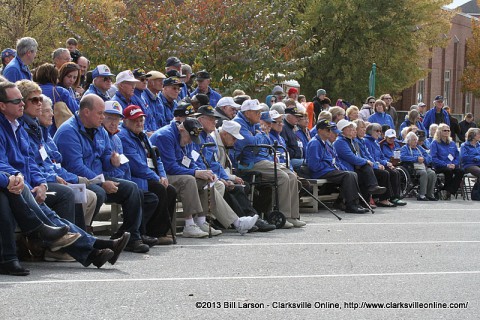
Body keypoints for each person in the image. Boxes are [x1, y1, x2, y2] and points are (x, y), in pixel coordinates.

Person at [0, 81, 130, 267]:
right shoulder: (16, 127)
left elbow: (32, 161)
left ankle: (93, 251)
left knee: (56, 206)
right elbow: (9, 163)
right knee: (64, 197)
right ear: (2, 105)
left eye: (25, 100)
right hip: (19, 185)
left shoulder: (23, 127)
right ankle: (81, 246)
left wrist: (41, 183)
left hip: (29, 182)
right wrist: (24, 181)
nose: (37, 104)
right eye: (32, 100)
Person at [54, 94, 148, 253]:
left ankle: (132, 236)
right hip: (76, 179)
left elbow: (104, 155)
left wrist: (111, 162)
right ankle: (85, 235)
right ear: (86, 112)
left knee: (132, 189)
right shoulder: (68, 132)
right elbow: (75, 167)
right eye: (100, 113)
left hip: (99, 176)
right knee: (98, 192)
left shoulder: (99, 130)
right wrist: (101, 182)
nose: (103, 117)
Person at [151, 117, 258, 237]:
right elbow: (170, 167)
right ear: (181, 130)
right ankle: (189, 224)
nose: (190, 142)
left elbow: (190, 160)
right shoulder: (165, 136)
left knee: (206, 179)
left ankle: (202, 221)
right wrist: (195, 172)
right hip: (161, 176)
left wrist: (202, 171)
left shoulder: (186, 137)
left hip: (176, 173)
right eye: (190, 138)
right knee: (189, 180)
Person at [233, 99, 306, 228]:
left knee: (292, 176)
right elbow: (249, 142)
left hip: (260, 158)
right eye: (256, 112)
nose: (259, 115)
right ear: (248, 112)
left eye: (260, 112)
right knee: (282, 177)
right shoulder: (239, 123)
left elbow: (266, 140)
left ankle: (293, 216)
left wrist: (259, 135)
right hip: (247, 163)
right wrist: (259, 135)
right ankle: (284, 215)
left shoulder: (252, 123)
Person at [118, 105, 177, 245]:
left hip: (148, 174)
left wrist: (163, 175)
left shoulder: (143, 135)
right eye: (134, 120)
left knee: (171, 190)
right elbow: (137, 166)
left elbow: (156, 158)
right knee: (159, 189)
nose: (139, 123)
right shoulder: (124, 136)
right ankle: (150, 231)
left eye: (141, 120)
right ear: (125, 121)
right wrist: (157, 178)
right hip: (134, 176)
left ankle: (160, 231)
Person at [36, 94, 97, 228]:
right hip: (41, 181)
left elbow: (53, 164)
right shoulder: (64, 131)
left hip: (55, 177)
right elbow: (34, 166)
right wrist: (75, 179)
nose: (52, 114)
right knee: (75, 193)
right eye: (47, 111)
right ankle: (76, 241)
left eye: (51, 110)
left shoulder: (45, 134)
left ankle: (84, 236)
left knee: (89, 194)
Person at [210, 120, 276, 231]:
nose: (235, 141)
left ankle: (249, 218)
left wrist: (229, 178)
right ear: (225, 134)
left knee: (242, 186)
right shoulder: (214, 142)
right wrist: (228, 178)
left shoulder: (223, 142)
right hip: (215, 178)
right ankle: (247, 219)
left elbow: (218, 166)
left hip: (221, 177)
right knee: (235, 189)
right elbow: (212, 166)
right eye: (234, 138)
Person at [306, 119, 367, 214]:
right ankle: (350, 204)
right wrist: (329, 164)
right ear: (319, 130)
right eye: (327, 130)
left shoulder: (326, 143)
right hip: (321, 172)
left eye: (330, 130)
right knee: (348, 176)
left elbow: (336, 160)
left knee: (352, 174)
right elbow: (314, 165)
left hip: (329, 170)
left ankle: (354, 203)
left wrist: (341, 167)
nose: (330, 132)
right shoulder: (315, 143)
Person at [333, 119, 386, 205]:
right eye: (349, 128)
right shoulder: (340, 142)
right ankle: (368, 193)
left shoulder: (350, 141)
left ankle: (365, 200)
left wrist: (371, 163)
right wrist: (366, 161)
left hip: (353, 167)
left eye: (352, 128)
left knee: (366, 171)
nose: (352, 130)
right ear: (343, 130)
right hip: (347, 167)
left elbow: (358, 155)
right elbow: (351, 157)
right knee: (365, 170)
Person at [363, 123, 406, 206]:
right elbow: (370, 157)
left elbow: (381, 157)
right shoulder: (367, 141)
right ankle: (383, 198)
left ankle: (395, 197)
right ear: (370, 132)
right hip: (372, 165)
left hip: (378, 163)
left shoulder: (375, 143)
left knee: (395, 172)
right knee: (385, 173)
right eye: (376, 131)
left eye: (380, 131)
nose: (379, 133)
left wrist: (387, 163)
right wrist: (378, 164)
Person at [33, 63, 79, 135]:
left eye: (74, 77)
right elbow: (76, 110)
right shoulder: (60, 91)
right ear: (55, 76)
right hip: (54, 131)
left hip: (33, 130)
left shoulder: (32, 90)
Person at [429, 123, 464, 200]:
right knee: (448, 171)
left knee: (461, 171)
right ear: (439, 132)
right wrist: (446, 164)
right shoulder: (435, 143)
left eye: (448, 130)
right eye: (445, 130)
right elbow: (433, 158)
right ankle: (447, 191)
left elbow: (457, 156)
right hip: (440, 166)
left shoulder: (452, 143)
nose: (447, 132)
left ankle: (447, 190)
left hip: (452, 165)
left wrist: (454, 164)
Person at [400, 132, 437, 201]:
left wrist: (424, 159)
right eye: (414, 140)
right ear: (408, 141)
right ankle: (422, 195)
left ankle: (430, 194)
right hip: (412, 168)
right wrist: (416, 159)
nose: (416, 141)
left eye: (416, 140)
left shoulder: (419, 148)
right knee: (423, 173)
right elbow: (403, 157)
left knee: (432, 173)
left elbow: (429, 157)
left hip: (422, 165)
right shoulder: (404, 148)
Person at [281, 106, 305, 171]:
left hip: (298, 158)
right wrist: (295, 153)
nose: (298, 119)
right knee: (308, 163)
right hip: (291, 159)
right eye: (295, 116)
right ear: (288, 116)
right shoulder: (283, 128)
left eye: (298, 117)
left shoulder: (293, 127)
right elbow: (284, 146)